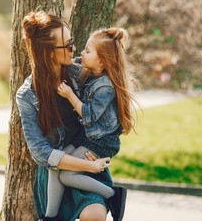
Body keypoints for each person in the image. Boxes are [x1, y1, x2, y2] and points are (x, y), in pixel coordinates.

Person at [16, 11, 113, 221]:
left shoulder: (81, 73)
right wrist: (89, 166)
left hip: (86, 161)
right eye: (68, 45)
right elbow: (40, 152)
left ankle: (115, 197)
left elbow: (105, 110)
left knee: (95, 214)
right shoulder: (27, 95)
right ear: (51, 52)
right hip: (56, 171)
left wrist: (97, 149)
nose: (75, 49)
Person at [46, 28, 137, 221]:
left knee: (66, 176)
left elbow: (88, 115)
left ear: (101, 61)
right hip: (87, 138)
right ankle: (50, 217)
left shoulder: (105, 87)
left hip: (100, 143)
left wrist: (70, 95)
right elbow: (75, 62)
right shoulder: (92, 73)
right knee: (55, 164)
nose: (81, 53)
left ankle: (113, 195)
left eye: (87, 51)